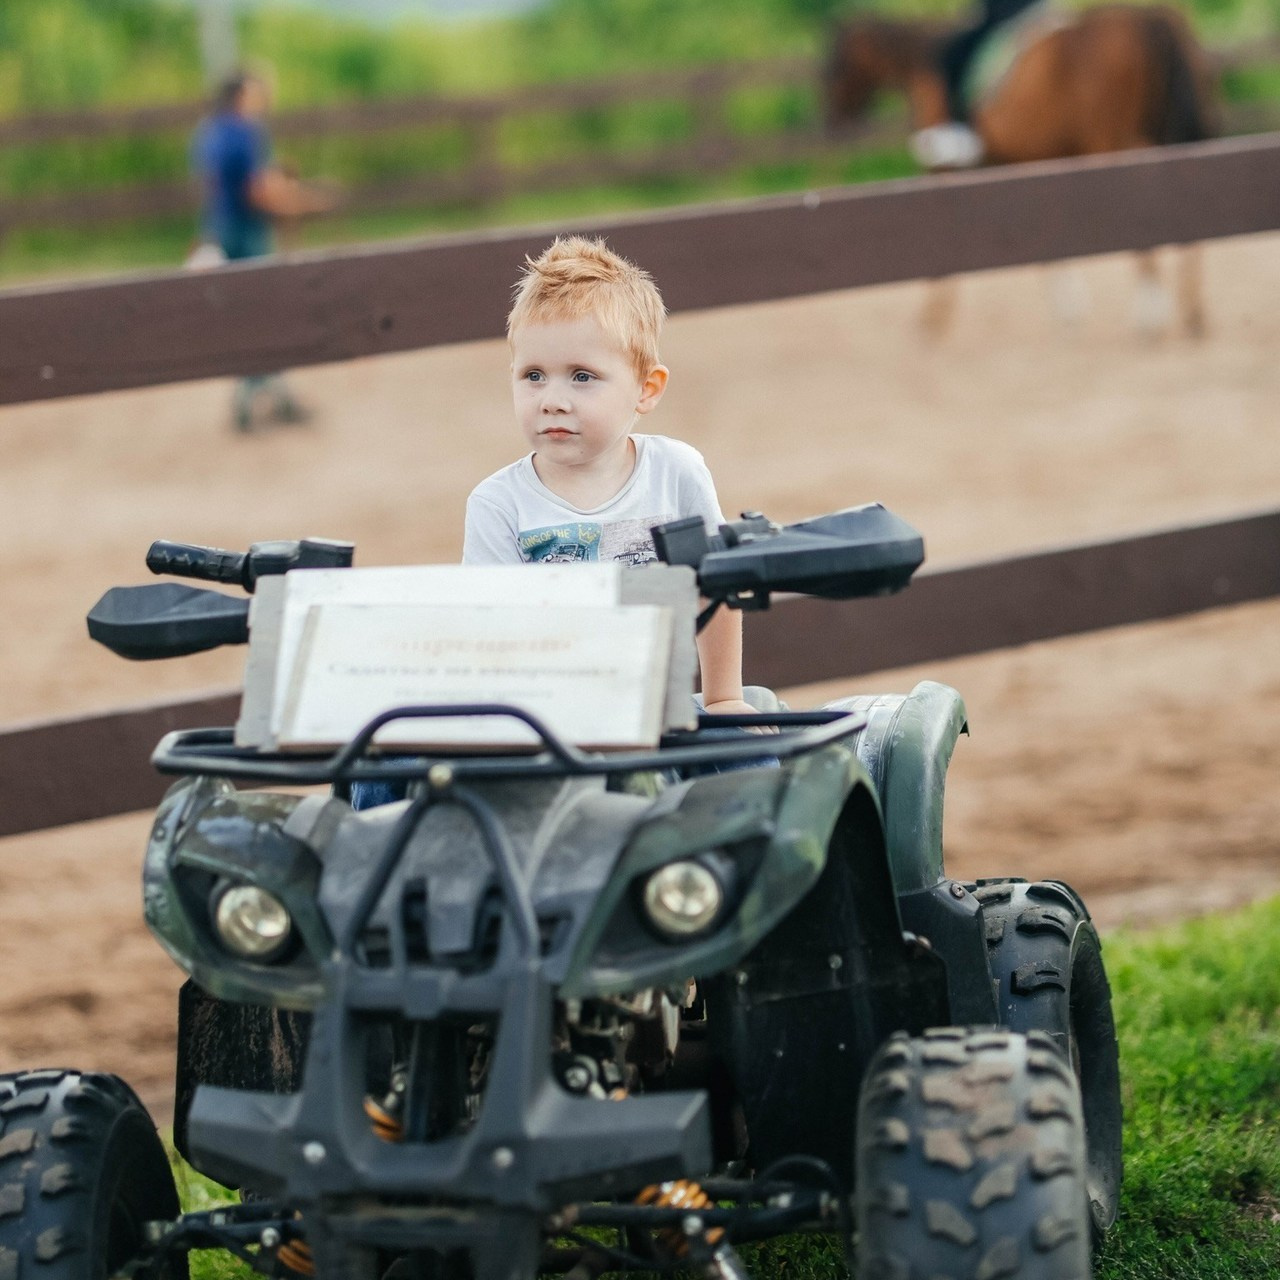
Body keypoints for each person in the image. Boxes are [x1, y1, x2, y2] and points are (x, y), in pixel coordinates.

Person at [462, 235, 760, 722]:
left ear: (646, 388)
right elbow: (492, 634)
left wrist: (723, 697)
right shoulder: (498, 505)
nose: (552, 399)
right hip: (544, 724)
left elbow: (716, 590)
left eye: (581, 376)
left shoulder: (675, 474)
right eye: (533, 375)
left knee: (756, 769)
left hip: (660, 717)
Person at [191, 68, 335, 433]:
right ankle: (263, 398)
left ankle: (264, 397)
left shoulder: (209, 131)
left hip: (221, 232)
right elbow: (260, 191)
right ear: (242, 95)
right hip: (250, 233)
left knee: (246, 314)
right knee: (266, 312)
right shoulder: (247, 131)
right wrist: (303, 203)